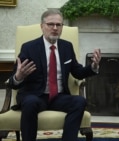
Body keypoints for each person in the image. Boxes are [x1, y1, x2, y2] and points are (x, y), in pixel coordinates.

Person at [7, 9, 101, 141]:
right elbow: (13, 82)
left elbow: (78, 73)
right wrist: (19, 77)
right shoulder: (29, 48)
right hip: (35, 96)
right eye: (50, 24)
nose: (55, 28)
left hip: (58, 97)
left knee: (80, 101)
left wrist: (93, 67)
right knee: (30, 102)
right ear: (42, 26)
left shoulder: (67, 47)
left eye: (59, 25)